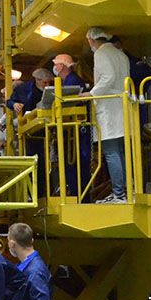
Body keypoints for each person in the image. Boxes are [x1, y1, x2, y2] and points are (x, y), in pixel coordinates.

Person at [84, 27, 131, 202]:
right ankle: (127, 190)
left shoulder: (101, 54)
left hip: (109, 107)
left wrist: (92, 93)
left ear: (91, 40)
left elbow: (108, 77)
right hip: (122, 106)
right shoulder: (121, 54)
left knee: (111, 152)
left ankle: (119, 193)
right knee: (121, 152)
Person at [52, 53, 92, 199]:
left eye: (56, 65)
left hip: (76, 131)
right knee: (74, 165)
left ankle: (80, 197)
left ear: (61, 66)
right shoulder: (69, 81)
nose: (54, 68)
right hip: (73, 131)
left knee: (76, 165)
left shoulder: (72, 82)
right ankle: (79, 196)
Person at [6, 68, 53, 185]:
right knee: (32, 158)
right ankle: (31, 187)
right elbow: (9, 102)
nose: (47, 85)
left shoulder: (52, 89)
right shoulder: (23, 89)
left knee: (44, 161)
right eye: (45, 82)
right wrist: (14, 104)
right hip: (29, 130)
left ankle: (44, 189)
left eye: (49, 82)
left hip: (47, 128)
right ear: (37, 80)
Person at [112, 36, 151, 128]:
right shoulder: (119, 61)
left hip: (133, 101)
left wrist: (137, 90)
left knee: (135, 127)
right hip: (122, 102)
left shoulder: (131, 61)